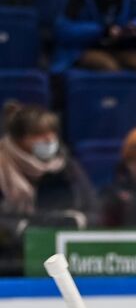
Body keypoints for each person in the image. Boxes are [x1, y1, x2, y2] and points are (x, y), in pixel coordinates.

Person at [0, 103, 97, 262]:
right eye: (39, 134)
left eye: (52, 132)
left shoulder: (68, 166)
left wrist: (76, 220)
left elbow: (94, 210)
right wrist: (22, 228)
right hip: (11, 262)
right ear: (19, 139)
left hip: (67, 256)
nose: (49, 139)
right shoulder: (3, 166)